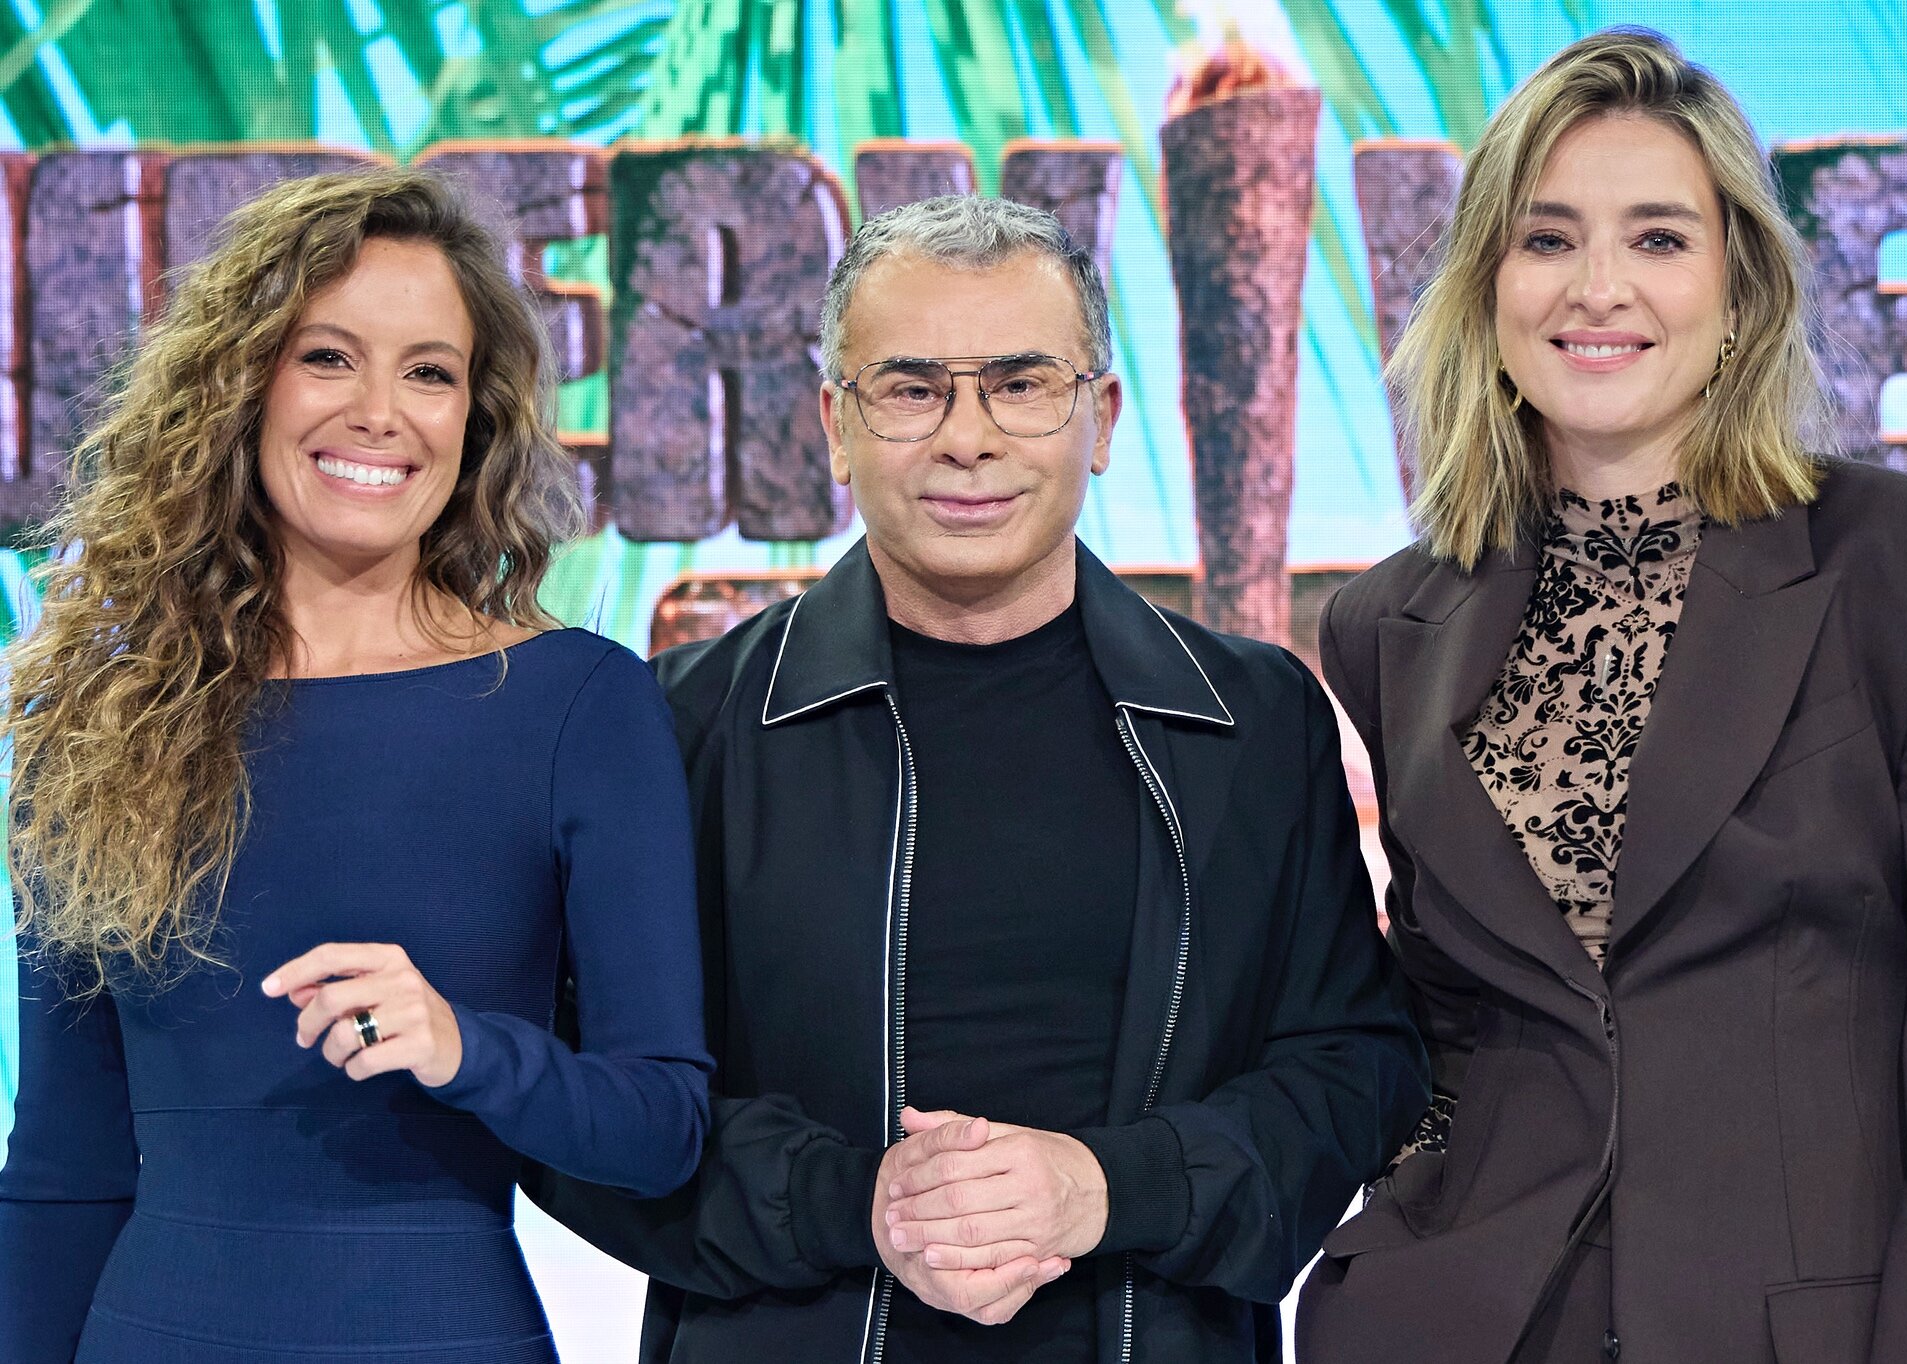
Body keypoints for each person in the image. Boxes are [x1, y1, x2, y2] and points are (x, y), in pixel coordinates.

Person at [527, 194, 1428, 1363]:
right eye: (909, 389)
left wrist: (1103, 1185)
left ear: (1098, 418)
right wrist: (858, 1201)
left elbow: (1354, 1067)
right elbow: (570, 1099)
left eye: (1019, 382)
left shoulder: (1250, 720)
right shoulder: (679, 722)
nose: (967, 435)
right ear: (834, 426)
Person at [1296, 27, 1907, 1364]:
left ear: (1739, 291)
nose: (1598, 287)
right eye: (1547, 238)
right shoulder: (1387, 624)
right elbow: (1443, 1027)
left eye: (1660, 239)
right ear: (1486, 289)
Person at [0, 168, 712, 1363]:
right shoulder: (98, 715)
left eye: (428, 371)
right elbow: (65, 1159)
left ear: (474, 419)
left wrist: (465, 1044)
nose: (381, 411)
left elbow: (661, 1125)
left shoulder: (576, 701)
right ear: (241, 387)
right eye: (328, 356)